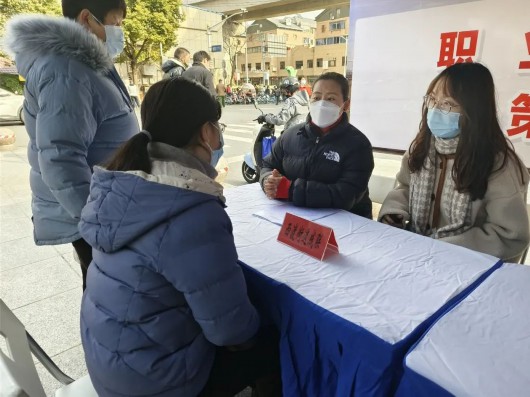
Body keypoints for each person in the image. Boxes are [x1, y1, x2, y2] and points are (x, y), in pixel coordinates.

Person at [79, 77, 281, 397]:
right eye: (217, 124)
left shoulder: (125, 182)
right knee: (276, 340)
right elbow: (230, 330)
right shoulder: (190, 209)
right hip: (155, 382)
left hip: (110, 365)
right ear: (205, 132)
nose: (219, 135)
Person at [4, 0, 138, 290]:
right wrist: (96, 221)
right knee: (106, 295)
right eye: (116, 23)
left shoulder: (84, 62)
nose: (120, 32)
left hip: (105, 204)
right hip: (95, 213)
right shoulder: (66, 69)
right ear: (88, 18)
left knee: (107, 294)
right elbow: (60, 156)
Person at [379, 62, 529, 262]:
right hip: (415, 255)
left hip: (468, 268)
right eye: (432, 100)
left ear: (473, 111)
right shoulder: (422, 147)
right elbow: (405, 186)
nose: (435, 110)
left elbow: (510, 235)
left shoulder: (499, 164)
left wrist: (445, 248)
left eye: (447, 104)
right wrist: (394, 212)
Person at [260, 72, 374, 218]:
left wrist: (290, 190)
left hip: (345, 226)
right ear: (310, 100)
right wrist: (268, 181)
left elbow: (346, 195)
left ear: (346, 105)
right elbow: (267, 165)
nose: (322, 103)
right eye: (317, 97)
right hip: (295, 220)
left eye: (331, 98)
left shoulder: (358, 145)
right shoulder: (290, 136)